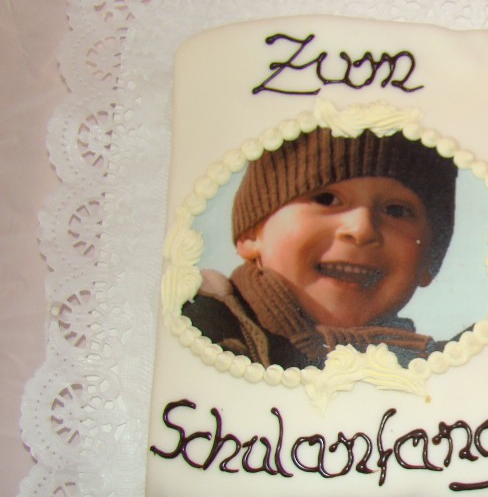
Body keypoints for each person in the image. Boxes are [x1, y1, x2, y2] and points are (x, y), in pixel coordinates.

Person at [182, 127, 457, 368]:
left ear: (429, 260)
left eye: (396, 210)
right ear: (252, 234)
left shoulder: (450, 370)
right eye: (326, 199)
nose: (361, 229)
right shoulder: (194, 325)